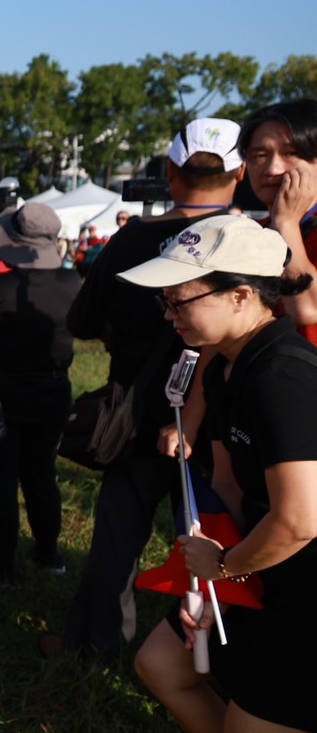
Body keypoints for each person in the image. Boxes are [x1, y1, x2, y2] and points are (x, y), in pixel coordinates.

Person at [125, 215, 317, 733]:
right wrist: (208, 582)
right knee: (161, 659)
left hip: (299, 582)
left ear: (243, 295)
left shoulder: (284, 374)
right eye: (165, 301)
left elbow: (300, 517)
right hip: (263, 570)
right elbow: (232, 486)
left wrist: (225, 571)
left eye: (182, 297)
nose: (170, 311)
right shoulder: (231, 365)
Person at [49, 118, 245, 662]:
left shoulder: (131, 240)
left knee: (118, 540)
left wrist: (126, 338)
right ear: (241, 173)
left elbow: (83, 320)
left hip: (138, 416)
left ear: (168, 172)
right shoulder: (247, 242)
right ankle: (216, 658)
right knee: (226, 539)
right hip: (226, 425)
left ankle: (95, 645)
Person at [0, 202, 80, 581]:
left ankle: (3, 564)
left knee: (0, 482)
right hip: (52, 390)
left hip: (1, 392)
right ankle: (49, 554)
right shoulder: (73, 283)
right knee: (40, 474)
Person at [238, 99, 317, 339]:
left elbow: (306, 310)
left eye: (290, 153)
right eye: (259, 155)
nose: (273, 169)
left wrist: (285, 223)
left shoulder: (285, 226)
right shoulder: (247, 235)